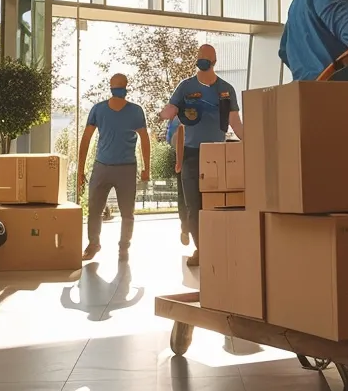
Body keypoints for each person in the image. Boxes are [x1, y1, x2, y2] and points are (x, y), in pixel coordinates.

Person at [161, 44, 244, 267]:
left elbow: (235, 122)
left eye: (207, 58)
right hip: (191, 154)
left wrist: (250, 142)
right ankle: (201, 249)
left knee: (214, 204)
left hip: (217, 153)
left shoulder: (225, 89)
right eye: (200, 57)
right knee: (193, 204)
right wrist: (166, 112)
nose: (203, 61)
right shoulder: (185, 87)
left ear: (214, 61)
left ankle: (218, 244)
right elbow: (171, 112)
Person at [77, 74, 151, 261]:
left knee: (127, 211)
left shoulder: (135, 111)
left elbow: (145, 139)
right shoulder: (98, 110)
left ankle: (124, 246)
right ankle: (93, 244)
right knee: (94, 208)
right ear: (111, 87)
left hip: (126, 168)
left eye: (120, 86)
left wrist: (146, 168)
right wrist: (80, 170)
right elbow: (86, 139)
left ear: (125, 87)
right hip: (102, 167)